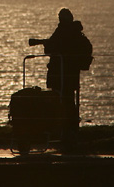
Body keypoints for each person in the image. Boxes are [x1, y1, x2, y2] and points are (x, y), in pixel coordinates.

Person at [31, 8, 93, 146]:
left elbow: (51, 48)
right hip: (70, 75)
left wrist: (46, 44)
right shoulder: (75, 32)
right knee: (69, 101)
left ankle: (64, 131)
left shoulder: (62, 32)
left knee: (61, 101)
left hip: (60, 74)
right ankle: (69, 131)